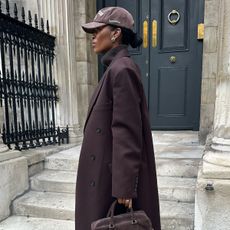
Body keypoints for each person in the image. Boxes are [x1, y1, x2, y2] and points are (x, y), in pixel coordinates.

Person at [75, 6, 161, 230]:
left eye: (98, 30)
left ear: (116, 33)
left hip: (111, 183)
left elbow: (127, 131)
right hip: (103, 174)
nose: (93, 37)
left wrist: (124, 187)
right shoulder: (114, 68)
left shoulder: (122, 70)